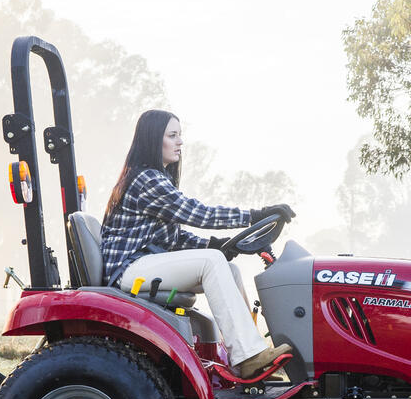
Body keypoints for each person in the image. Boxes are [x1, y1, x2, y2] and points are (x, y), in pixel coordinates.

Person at [101, 109, 296, 379]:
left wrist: (216, 245)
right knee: (212, 262)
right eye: (172, 135)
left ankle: (247, 358)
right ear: (152, 140)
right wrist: (255, 215)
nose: (180, 142)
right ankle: (248, 355)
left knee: (228, 268)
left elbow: (175, 237)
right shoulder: (146, 180)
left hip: (146, 262)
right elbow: (199, 213)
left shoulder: (156, 179)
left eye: (180, 135)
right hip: (129, 270)